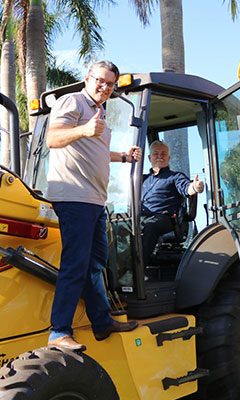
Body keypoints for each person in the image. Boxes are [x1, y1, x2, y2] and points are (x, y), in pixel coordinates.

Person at [46, 60, 141, 351]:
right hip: (74, 197)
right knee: (76, 264)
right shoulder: (72, 102)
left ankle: (102, 322)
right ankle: (59, 330)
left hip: (94, 200)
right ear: (88, 79)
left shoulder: (99, 113)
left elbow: (95, 150)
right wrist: (84, 130)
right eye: (100, 80)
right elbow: (53, 138)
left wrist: (123, 157)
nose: (105, 87)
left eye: (110, 84)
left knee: (94, 264)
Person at [141, 140, 204, 267]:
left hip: (164, 219)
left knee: (150, 226)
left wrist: (195, 187)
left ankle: (137, 270)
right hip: (141, 216)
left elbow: (186, 188)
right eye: (156, 153)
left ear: (168, 158)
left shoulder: (175, 177)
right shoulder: (142, 179)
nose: (159, 156)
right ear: (149, 158)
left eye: (163, 153)